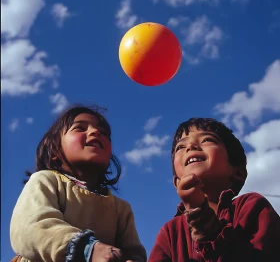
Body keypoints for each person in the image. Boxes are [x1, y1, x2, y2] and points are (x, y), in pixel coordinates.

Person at [10, 105, 146, 262]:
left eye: (104, 133)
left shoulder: (121, 209)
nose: (95, 132)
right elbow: (30, 229)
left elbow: (134, 253)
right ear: (55, 151)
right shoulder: (45, 181)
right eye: (80, 128)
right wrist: (86, 248)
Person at [149, 118, 280, 261]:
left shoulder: (252, 206)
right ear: (177, 181)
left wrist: (203, 222)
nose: (191, 146)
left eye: (207, 140)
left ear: (238, 172)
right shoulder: (170, 232)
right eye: (180, 147)